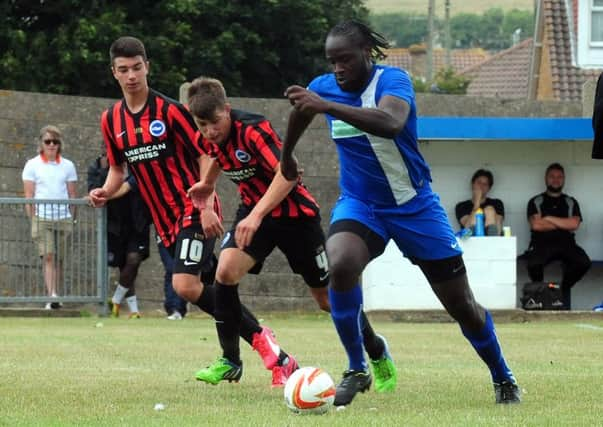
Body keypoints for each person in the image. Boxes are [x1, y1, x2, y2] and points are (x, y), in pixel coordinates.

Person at [280, 20, 520, 406]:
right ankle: (358, 367)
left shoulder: (394, 81)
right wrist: (287, 155)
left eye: (345, 60)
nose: (338, 69)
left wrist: (326, 106)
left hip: (414, 207)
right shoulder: (323, 87)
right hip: (361, 205)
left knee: (463, 307)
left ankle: (503, 377)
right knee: (338, 265)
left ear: (366, 54)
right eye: (332, 61)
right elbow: (302, 112)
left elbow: (391, 123)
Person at [87, 36, 296, 386]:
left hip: (192, 210)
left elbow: (207, 151)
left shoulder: (171, 111)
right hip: (164, 221)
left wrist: (205, 201)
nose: (132, 76)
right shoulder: (111, 120)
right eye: (123, 70)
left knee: (185, 285)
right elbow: (118, 169)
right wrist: (105, 191)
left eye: (137, 67)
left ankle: (263, 342)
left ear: (147, 67)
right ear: (114, 73)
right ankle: (250, 358)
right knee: (217, 290)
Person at [186, 77, 396, 389]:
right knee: (225, 273)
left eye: (214, 122)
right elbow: (218, 154)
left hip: (296, 217)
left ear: (227, 110)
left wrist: (256, 214)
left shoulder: (254, 131)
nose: (209, 131)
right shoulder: (207, 137)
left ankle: (376, 352)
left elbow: (289, 174)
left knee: (328, 299)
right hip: (255, 214)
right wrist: (208, 184)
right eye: (202, 125)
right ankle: (231, 360)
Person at [87, 150, 150, 318]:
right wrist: (103, 169)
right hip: (115, 225)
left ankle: (115, 299)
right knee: (124, 265)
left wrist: (103, 195)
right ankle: (134, 310)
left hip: (138, 223)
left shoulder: (138, 165)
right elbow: (94, 189)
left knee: (134, 260)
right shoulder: (96, 167)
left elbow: (125, 187)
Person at [22, 125, 78, 309]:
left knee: (59, 258)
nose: (52, 145)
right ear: (41, 143)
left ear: (60, 144)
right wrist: (33, 219)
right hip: (42, 217)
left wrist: (73, 217)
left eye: (55, 141)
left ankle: (55, 294)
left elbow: (72, 195)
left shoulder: (68, 165)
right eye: (48, 141)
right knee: (48, 256)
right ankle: (52, 295)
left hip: (63, 218)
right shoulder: (32, 164)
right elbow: (29, 195)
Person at [525, 163, 591, 310]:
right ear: (546, 179)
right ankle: (539, 297)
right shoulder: (536, 201)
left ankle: (564, 288)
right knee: (533, 264)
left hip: (566, 243)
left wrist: (548, 218)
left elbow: (574, 224)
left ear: (564, 179)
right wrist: (562, 223)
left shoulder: (570, 201)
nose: (556, 180)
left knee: (584, 262)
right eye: (552, 176)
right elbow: (536, 225)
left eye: (560, 177)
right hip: (541, 242)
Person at [455, 169, 504, 236]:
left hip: (493, 241)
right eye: (479, 182)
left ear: (489, 188)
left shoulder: (497, 203)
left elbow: (498, 227)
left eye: (485, 184)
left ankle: (491, 238)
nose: (481, 186)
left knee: (490, 209)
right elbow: (467, 227)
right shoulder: (462, 206)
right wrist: (477, 203)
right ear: (472, 184)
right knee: (477, 214)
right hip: (471, 241)